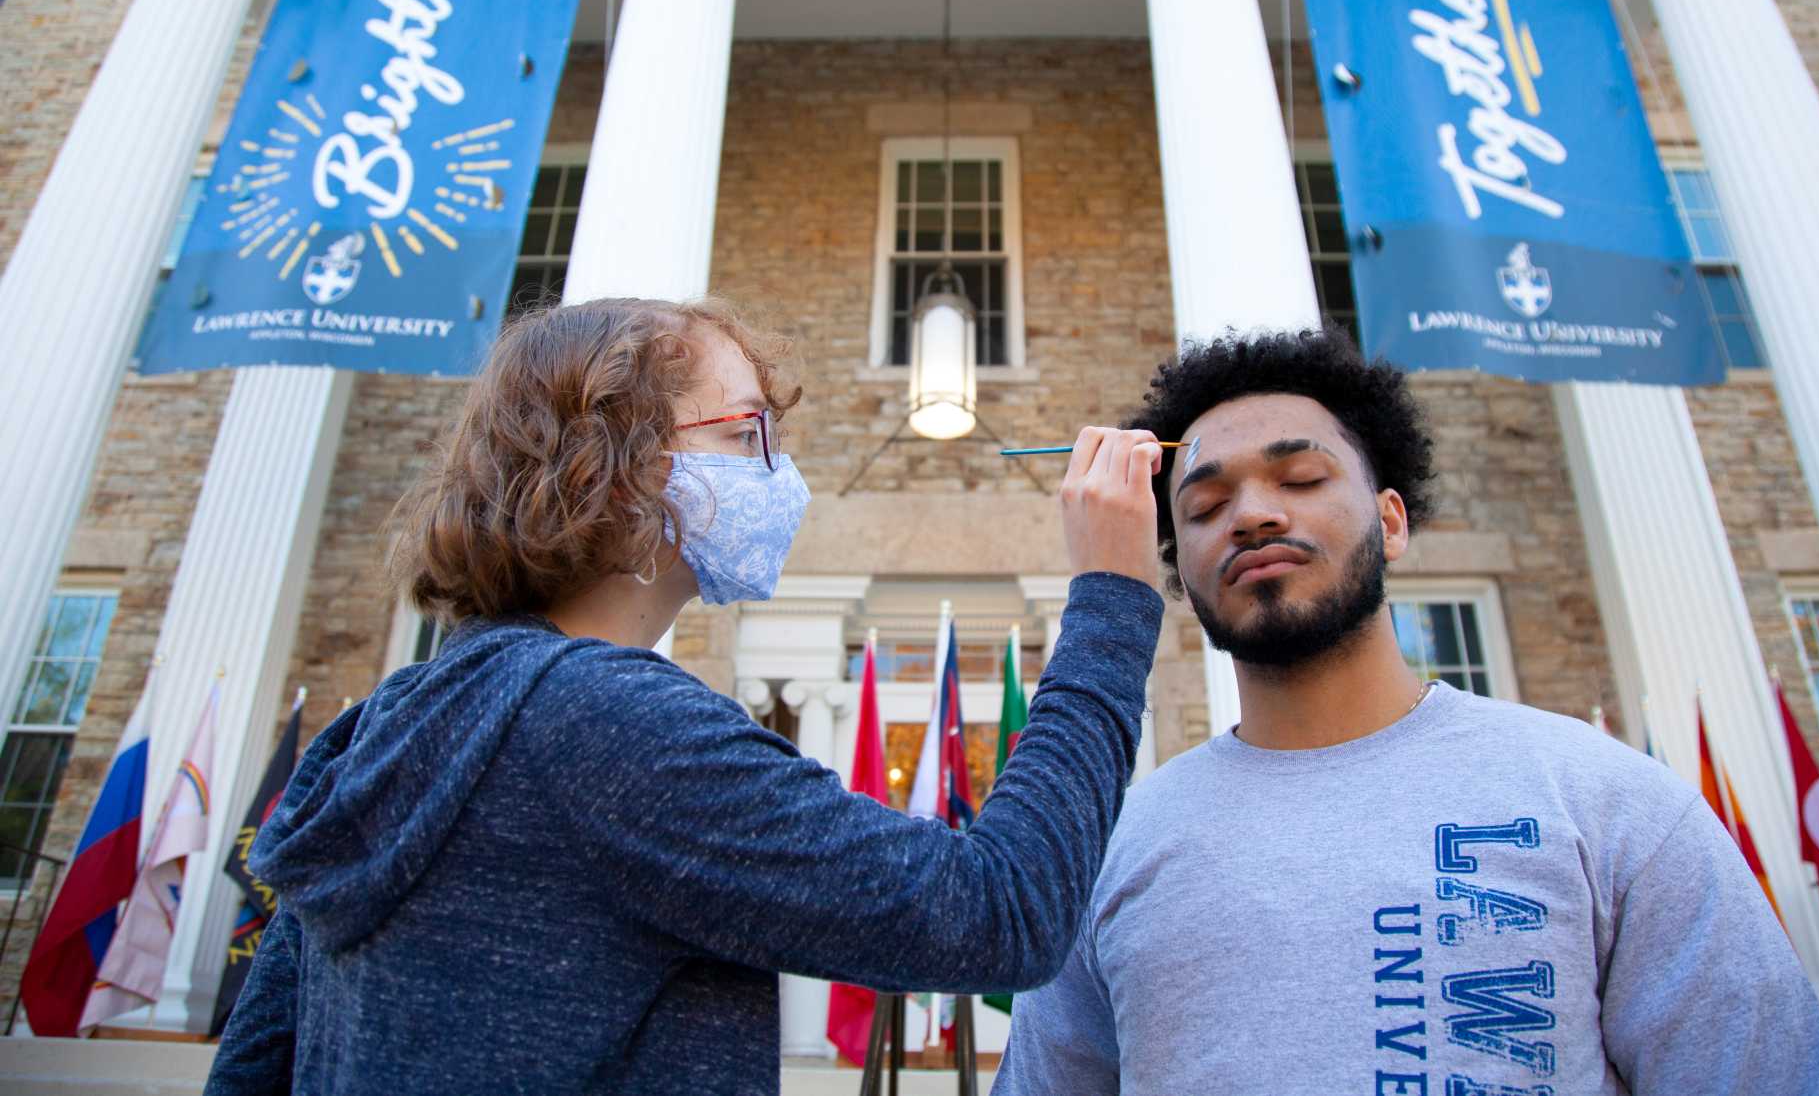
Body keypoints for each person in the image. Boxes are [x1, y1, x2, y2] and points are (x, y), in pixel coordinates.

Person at [206, 296, 1168, 1096]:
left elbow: (255, 1063)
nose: (778, 471)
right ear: (624, 461)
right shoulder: (610, 727)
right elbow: (1003, 911)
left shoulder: (392, 721)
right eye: (749, 431)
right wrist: (1113, 599)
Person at [994, 328, 1819, 1096]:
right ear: (1178, 570)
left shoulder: (1603, 800)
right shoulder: (1115, 854)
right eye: (1206, 507)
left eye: (1299, 478)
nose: (1252, 514)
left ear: (1391, 522)